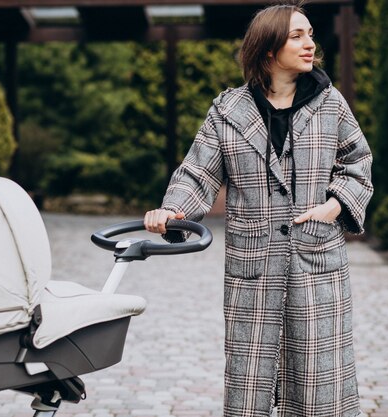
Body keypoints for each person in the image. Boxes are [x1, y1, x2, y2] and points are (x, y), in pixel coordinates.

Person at [144, 2, 373, 417]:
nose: (310, 44)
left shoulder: (330, 103)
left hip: (317, 260)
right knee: (250, 384)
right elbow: (198, 172)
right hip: (254, 268)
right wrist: (171, 210)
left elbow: (358, 162)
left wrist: (335, 205)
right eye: (297, 36)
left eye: (310, 34)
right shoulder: (228, 111)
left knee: (321, 384)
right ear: (269, 50)